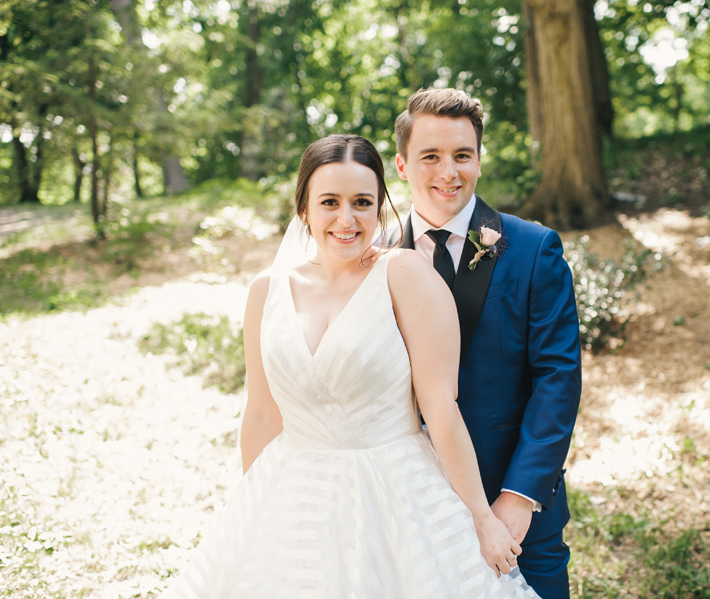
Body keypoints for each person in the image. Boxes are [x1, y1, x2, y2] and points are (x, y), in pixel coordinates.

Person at [157, 134, 541, 598]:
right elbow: (260, 414)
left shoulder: (403, 275)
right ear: (304, 210)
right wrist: (253, 515)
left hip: (394, 492)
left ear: (379, 206)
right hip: (296, 491)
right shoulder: (266, 291)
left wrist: (481, 516)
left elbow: (441, 408)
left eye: (362, 202)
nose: (346, 219)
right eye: (329, 202)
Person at [393, 88, 582, 599]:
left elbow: (557, 379)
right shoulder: (373, 258)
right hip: (404, 504)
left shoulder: (533, 249)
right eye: (430, 156)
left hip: (512, 504)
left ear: (479, 159)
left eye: (462, 156)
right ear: (403, 165)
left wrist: (520, 497)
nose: (447, 172)